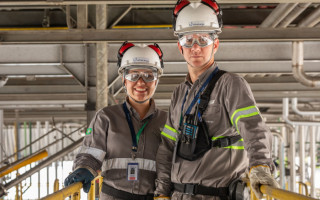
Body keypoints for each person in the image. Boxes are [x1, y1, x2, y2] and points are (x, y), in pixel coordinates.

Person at [155, 0, 279, 200]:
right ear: (180, 47)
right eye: (188, 40)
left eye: (203, 39)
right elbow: (167, 147)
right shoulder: (179, 93)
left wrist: (260, 165)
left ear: (216, 44)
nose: (195, 47)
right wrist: (161, 192)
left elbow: (253, 129)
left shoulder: (230, 84)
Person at [64, 42, 168, 200]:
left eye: (149, 75)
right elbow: (91, 154)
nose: (141, 82)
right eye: (133, 75)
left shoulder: (168, 122)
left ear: (156, 80)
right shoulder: (106, 118)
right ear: (123, 79)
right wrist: (84, 168)